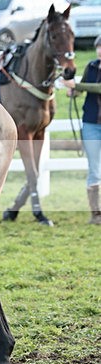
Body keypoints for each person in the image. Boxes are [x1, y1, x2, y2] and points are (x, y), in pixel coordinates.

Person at [62, 36, 101, 224]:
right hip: (91, 124)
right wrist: (73, 91)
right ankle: (96, 214)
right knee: (94, 168)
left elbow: (97, 88)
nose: (100, 50)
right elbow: (82, 90)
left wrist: (77, 85)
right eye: (98, 47)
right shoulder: (92, 67)